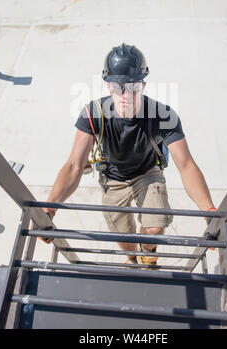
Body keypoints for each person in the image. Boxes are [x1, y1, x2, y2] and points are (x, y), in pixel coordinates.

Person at [42, 43, 216, 267]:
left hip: (148, 173)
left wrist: (209, 211)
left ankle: (148, 252)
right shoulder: (92, 113)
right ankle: (132, 258)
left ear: (143, 84)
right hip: (113, 179)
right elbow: (74, 166)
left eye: (132, 86)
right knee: (122, 235)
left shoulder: (163, 115)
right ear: (108, 86)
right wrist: (49, 209)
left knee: (155, 226)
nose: (125, 94)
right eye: (117, 86)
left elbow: (186, 165)